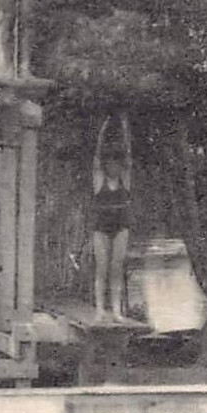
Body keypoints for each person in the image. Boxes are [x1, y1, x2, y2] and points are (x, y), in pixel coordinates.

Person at [91, 114, 132, 320]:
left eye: (117, 164)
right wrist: (104, 128)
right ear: (107, 166)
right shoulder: (99, 181)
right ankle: (100, 309)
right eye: (111, 164)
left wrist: (124, 127)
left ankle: (116, 310)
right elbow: (97, 158)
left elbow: (129, 157)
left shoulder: (125, 181)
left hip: (121, 227)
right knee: (102, 268)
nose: (114, 167)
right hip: (101, 227)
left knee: (117, 267)